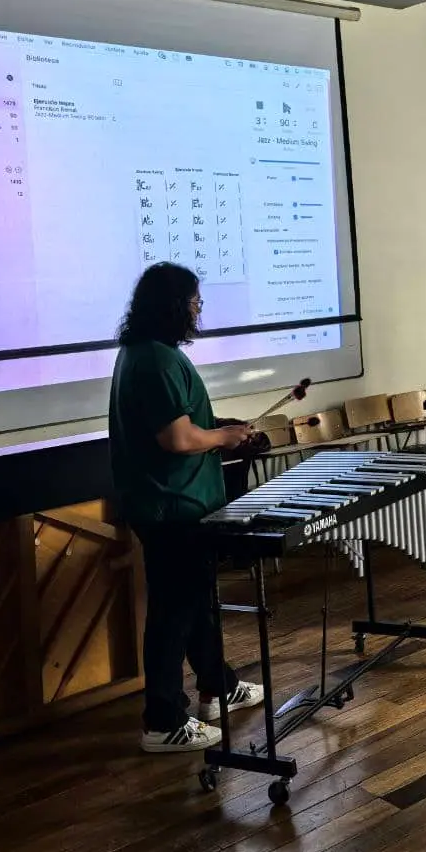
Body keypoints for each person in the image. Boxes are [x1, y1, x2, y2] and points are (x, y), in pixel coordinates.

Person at [110, 262, 263, 752]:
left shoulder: (148, 354)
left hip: (175, 503)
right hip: (171, 506)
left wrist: (221, 427)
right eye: (196, 301)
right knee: (175, 612)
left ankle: (219, 685)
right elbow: (176, 437)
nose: (199, 309)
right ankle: (163, 721)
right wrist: (224, 436)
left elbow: (183, 422)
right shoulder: (155, 360)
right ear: (175, 305)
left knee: (196, 603)